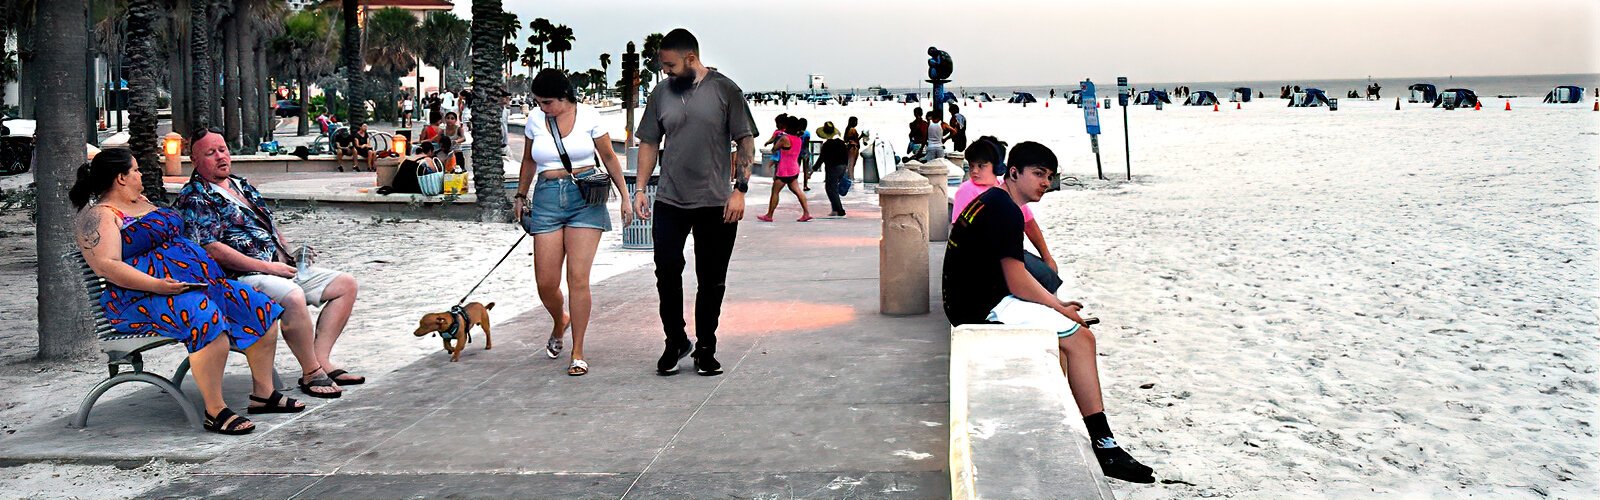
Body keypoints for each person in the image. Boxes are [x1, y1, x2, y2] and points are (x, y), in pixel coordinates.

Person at [943, 141, 1155, 484]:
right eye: (1039, 174)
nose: (1045, 182)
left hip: (968, 298)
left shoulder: (993, 200)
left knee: (1065, 336)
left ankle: (1082, 426)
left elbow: (1014, 274)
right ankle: (1105, 445)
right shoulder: (1006, 211)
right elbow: (1016, 281)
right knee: (1081, 338)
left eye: (1050, 176)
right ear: (1013, 173)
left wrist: (1054, 306)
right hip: (980, 306)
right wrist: (1058, 308)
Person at [72, 148, 300, 435]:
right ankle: (215, 411)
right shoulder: (99, 217)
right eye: (136, 169)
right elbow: (107, 266)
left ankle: (263, 394)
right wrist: (157, 285)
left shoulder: (140, 201)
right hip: (141, 297)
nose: (141, 174)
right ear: (121, 177)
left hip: (188, 288)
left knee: (260, 307)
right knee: (206, 317)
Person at [175, 127, 363, 399]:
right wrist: (269, 267)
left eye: (223, 149)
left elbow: (269, 225)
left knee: (345, 284)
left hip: (278, 266)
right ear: (194, 161)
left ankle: (322, 360)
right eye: (210, 153)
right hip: (240, 277)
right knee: (293, 295)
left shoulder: (241, 184)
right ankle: (311, 372)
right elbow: (211, 249)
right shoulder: (195, 197)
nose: (220, 156)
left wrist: (288, 252)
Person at [632, 28, 757, 376]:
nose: (666, 72)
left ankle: (706, 347)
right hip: (670, 200)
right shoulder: (661, 93)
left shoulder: (725, 90)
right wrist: (641, 189)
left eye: (670, 65)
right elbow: (648, 143)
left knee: (711, 278)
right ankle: (675, 341)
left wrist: (740, 190)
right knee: (667, 271)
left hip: (716, 202)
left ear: (691, 59)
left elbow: (744, 141)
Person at [514, 69, 634, 377]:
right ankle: (559, 320)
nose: (543, 108)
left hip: (585, 198)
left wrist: (625, 196)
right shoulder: (535, 120)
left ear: (564, 96)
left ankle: (577, 351)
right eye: (538, 102)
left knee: (578, 279)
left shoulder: (589, 115)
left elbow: (608, 157)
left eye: (548, 102)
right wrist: (520, 195)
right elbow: (529, 160)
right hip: (547, 198)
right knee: (546, 283)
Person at [950, 137, 1061, 292]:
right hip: (985, 259)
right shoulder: (969, 190)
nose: (975, 171)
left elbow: (1029, 224)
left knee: (1048, 275)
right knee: (1044, 280)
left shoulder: (1004, 189)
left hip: (1004, 252)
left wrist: (1047, 257)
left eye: (981, 166)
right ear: (1014, 173)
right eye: (972, 166)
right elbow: (960, 230)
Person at [756, 116, 813, 222]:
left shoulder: (785, 138)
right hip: (794, 169)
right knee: (797, 191)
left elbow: (774, 149)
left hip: (784, 170)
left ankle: (769, 215)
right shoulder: (798, 139)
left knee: (775, 192)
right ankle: (806, 213)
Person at [817, 122, 849, 217]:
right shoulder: (841, 143)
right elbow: (846, 155)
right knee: (833, 188)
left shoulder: (827, 145)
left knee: (831, 189)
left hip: (832, 168)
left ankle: (839, 210)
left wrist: (813, 169)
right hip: (842, 167)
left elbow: (821, 158)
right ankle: (835, 209)